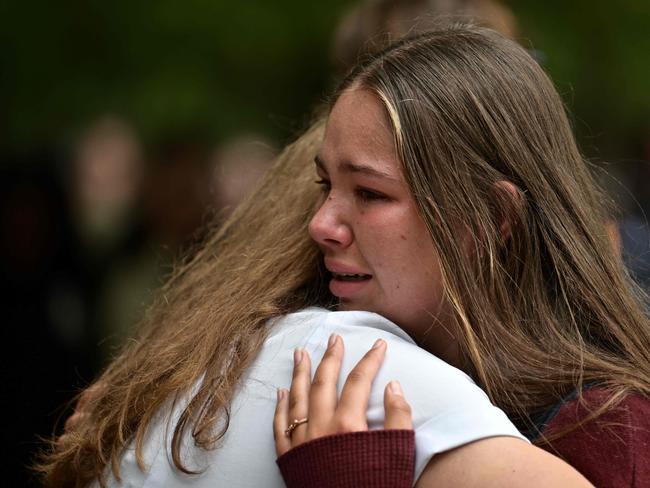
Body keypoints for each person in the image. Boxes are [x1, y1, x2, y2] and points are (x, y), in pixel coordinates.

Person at [40, 24, 649, 487]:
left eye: (371, 193)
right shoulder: (339, 352)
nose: (321, 224)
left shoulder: (609, 428)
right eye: (324, 185)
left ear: (492, 220)